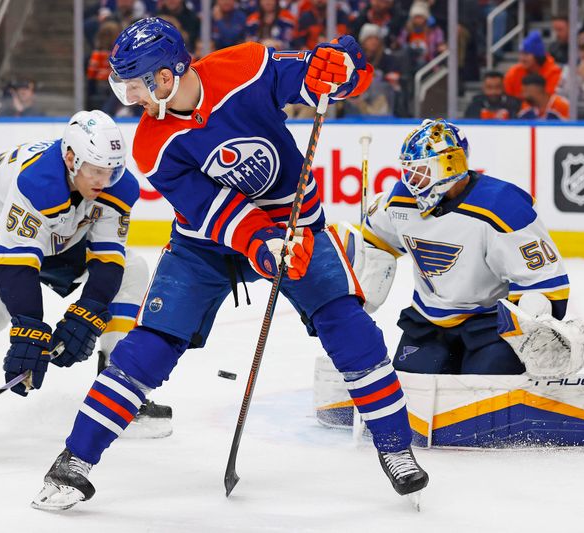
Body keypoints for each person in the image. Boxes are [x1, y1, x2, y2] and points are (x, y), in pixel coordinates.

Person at [31, 18, 428, 511]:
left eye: (135, 84)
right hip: (205, 244)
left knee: (347, 324)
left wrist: (340, 70)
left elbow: (309, 79)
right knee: (150, 344)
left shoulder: (245, 65)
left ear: (165, 75)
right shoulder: (153, 143)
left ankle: (395, 448)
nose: (128, 96)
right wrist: (261, 243)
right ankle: (75, 460)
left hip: (294, 222)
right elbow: (213, 210)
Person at [0, 111, 172, 454]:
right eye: (97, 170)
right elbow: (15, 266)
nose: (106, 180)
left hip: (55, 227)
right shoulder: (39, 182)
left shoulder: (117, 187)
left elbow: (107, 258)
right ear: (71, 159)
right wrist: (29, 329)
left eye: (112, 170)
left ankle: (119, 385)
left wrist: (88, 312)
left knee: (132, 268)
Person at [348, 119, 571, 376]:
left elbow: (544, 284)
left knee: (484, 389)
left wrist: (534, 325)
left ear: (450, 165)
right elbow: (376, 242)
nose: (412, 180)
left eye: (421, 171)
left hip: (490, 324)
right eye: (409, 171)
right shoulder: (399, 201)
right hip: (427, 321)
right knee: (409, 388)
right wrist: (359, 298)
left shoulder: (503, 207)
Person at [503, 31, 562, 100]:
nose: (522, 58)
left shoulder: (554, 72)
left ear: (537, 56)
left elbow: (549, 100)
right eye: (521, 54)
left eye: (526, 54)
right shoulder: (514, 72)